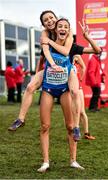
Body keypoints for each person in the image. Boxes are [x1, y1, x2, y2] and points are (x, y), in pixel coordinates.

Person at [8, 11, 101, 139]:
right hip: (51, 71)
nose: (49, 21)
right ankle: (21, 119)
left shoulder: (68, 38)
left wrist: (86, 36)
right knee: (29, 87)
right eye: (46, 20)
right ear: (44, 25)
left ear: (57, 20)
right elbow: (42, 58)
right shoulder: (45, 35)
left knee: (74, 93)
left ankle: (76, 127)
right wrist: (37, 75)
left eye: (52, 18)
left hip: (67, 71)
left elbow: (90, 50)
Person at [37, 18, 84, 172]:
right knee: (45, 126)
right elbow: (42, 58)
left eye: (66, 27)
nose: (63, 29)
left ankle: (73, 160)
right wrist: (38, 74)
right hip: (48, 88)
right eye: (60, 26)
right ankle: (45, 161)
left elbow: (88, 54)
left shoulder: (70, 45)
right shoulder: (47, 43)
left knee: (70, 126)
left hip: (64, 89)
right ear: (55, 30)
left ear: (68, 30)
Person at [73, 55, 95, 140]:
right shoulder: (63, 55)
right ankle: (73, 133)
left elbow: (84, 67)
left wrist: (80, 79)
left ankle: (86, 133)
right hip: (68, 88)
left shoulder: (76, 56)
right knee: (72, 113)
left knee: (81, 111)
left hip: (78, 87)